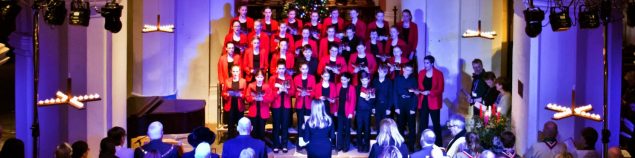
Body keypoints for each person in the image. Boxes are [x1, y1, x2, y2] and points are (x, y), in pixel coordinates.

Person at [416, 55, 445, 147]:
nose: (425, 64)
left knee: (436, 125)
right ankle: (421, 144)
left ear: (432, 63)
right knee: (422, 124)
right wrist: (418, 91)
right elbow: (419, 86)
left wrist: (430, 92)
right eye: (424, 62)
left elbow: (440, 89)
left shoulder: (439, 74)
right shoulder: (421, 73)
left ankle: (439, 145)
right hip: (423, 100)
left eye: (427, 63)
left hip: (434, 102)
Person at [269, 62, 295, 153]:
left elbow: (293, 92)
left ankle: (284, 145)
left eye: (283, 68)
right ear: (276, 69)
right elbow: (270, 93)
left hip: (286, 105)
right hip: (276, 105)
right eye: (279, 68)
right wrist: (279, 91)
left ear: (285, 69)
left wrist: (286, 91)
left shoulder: (289, 78)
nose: (281, 70)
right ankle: (276, 145)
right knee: (276, 126)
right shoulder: (272, 78)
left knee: (285, 126)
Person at [393, 62, 418, 151]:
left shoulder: (414, 80)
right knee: (400, 126)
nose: (408, 72)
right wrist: (396, 107)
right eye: (407, 70)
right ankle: (401, 145)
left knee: (411, 127)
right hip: (400, 103)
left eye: (410, 71)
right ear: (403, 69)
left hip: (410, 103)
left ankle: (411, 146)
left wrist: (413, 108)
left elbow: (415, 94)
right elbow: (395, 93)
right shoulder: (398, 79)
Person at [294, 62, 316, 151]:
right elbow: (294, 91)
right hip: (299, 104)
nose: (304, 71)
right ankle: (300, 142)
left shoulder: (312, 78)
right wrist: (299, 94)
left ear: (308, 69)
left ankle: (307, 142)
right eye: (303, 69)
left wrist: (308, 93)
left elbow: (314, 91)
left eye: (306, 69)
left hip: (308, 104)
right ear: (300, 69)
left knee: (308, 124)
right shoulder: (296, 78)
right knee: (300, 124)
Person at [245, 70, 272, 140]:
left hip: (263, 111)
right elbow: (247, 97)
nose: (259, 79)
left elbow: (270, 98)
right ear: (255, 77)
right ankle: (254, 148)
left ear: (263, 78)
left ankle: (261, 148)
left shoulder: (267, 86)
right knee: (253, 131)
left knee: (261, 131)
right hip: (253, 111)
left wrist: (263, 99)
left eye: (261, 77)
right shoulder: (251, 85)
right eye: (258, 77)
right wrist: (254, 98)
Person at [222, 65, 247, 137]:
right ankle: (230, 140)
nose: (235, 73)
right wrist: (227, 94)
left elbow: (245, 94)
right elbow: (223, 93)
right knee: (230, 124)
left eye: (237, 71)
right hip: (230, 105)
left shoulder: (243, 81)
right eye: (234, 71)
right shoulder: (227, 81)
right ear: (231, 72)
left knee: (240, 125)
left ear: (239, 72)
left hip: (239, 105)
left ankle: (239, 140)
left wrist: (241, 95)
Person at [334, 73, 356, 152]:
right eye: (341, 79)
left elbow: (353, 101)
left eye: (344, 80)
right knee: (339, 129)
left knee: (347, 129)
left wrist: (351, 112)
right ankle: (339, 146)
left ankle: (346, 146)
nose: (342, 81)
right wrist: (335, 110)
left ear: (348, 80)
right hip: (340, 111)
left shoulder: (351, 88)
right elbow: (336, 99)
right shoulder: (338, 86)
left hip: (347, 112)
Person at [356, 72, 375, 152]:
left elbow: (373, 100)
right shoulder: (357, 88)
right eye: (363, 80)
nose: (364, 82)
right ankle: (359, 145)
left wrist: (369, 100)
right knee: (359, 128)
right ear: (360, 80)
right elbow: (355, 99)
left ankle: (366, 146)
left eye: (366, 80)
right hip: (359, 111)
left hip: (367, 111)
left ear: (368, 80)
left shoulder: (372, 88)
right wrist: (354, 110)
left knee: (367, 129)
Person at [372, 65, 393, 130]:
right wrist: (373, 107)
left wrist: (389, 108)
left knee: (385, 125)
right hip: (377, 105)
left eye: (384, 72)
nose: (382, 74)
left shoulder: (389, 82)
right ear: (378, 70)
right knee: (378, 124)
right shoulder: (374, 81)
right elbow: (372, 95)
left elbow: (391, 96)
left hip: (385, 105)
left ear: (386, 73)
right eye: (381, 71)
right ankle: (379, 139)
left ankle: (385, 139)